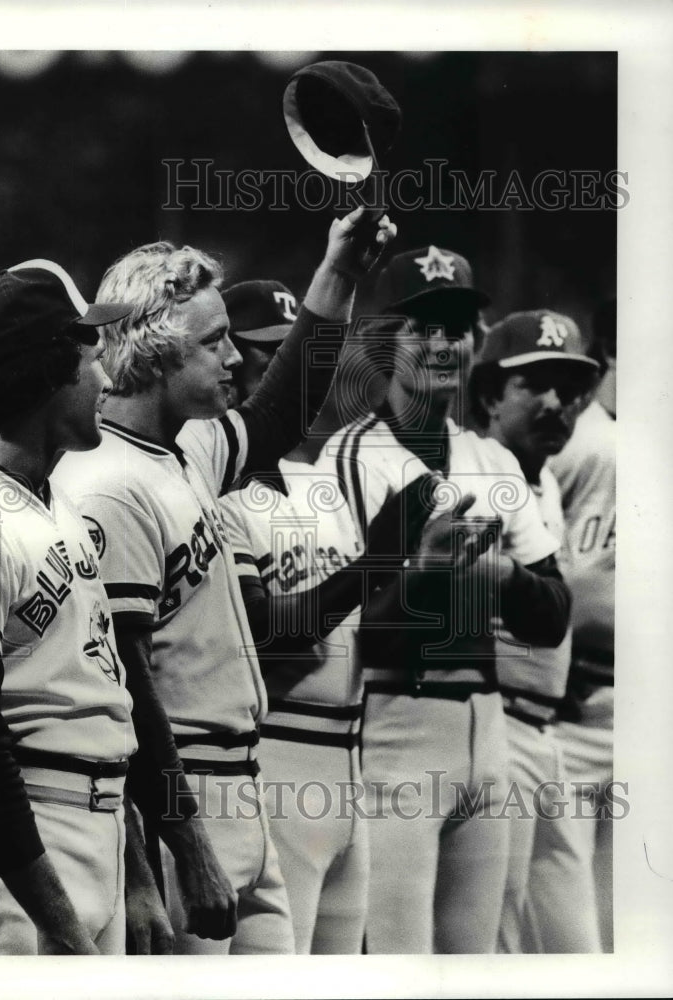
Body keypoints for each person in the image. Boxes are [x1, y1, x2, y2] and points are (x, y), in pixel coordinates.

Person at [54, 206, 397, 954]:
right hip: (180, 800)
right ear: (155, 349)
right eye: (213, 344)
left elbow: (281, 407)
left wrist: (338, 272)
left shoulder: (185, 446)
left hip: (241, 785)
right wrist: (184, 848)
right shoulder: (110, 482)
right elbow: (127, 687)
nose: (235, 359)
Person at [318, 246, 571, 953]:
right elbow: (340, 624)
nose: (441, 343)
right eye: (420, 326)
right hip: (397, 729)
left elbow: (550, 617)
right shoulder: (352, 456)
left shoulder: (490, 460)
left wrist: (498, 580)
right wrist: (427, 573)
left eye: (455, 326)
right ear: (382, 340)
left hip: (486, 734)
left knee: (473, 969)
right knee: (398, 967)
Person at [0, 259, 171, 955]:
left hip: (100, 827)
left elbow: (107, 700)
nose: (106, 378)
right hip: (21, 851)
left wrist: (134, 872)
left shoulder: (63, 508)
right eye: (90, 358)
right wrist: (61, 922)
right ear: (48, 371)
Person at [218, 279, 430, 953]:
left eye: (300, 354)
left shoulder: (320, 481)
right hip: (276, 757)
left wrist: (431, 578)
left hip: (348, 764)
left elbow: (356, 631)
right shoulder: (216, 491)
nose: (289, 371)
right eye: (266, 353)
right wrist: (377, 563)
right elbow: (274, 640)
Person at [468, 309, 601, 952]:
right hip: (494, 727)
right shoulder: (479, 472)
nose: (558, 404)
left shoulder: (540, 478)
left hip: (546, 734)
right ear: (491, 394)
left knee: (575, 947)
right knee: (495, 941)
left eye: (570, 389)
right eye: (537, 384)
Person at [526, 297, 617, 952]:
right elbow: (565, 592)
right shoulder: (588, 443)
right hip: (570, 713)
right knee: (569, 939)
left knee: (616, 937)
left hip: (616, 710)